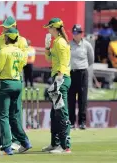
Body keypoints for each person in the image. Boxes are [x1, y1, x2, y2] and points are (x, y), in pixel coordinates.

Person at [0, 27, 32, 155]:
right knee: (14, 116)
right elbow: (23, 64)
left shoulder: (4, 51)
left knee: (3, 116)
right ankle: (25, 141)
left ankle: (7, 146)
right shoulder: (20, 51)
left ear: (7, 37)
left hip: (5, 84)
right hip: (17, 83)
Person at [41, 18, 72, 154]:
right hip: (59, 77)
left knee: (61, 112)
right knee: (55, 113)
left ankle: (65, 146)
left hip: (61, 77)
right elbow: (49, 59)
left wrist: (59, 77)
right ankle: (55, 143)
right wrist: (47, 48)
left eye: (49, 28)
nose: (48, 30)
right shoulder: (57, 42)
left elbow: (63, 62)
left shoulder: (60, 42)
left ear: (54, 28)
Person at [68, 24, 94, 130]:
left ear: (81, 34)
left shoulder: (86, 45)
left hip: (82, 72)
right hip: (71, 73)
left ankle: (82, 122)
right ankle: (71, 122)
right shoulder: (69, 44)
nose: (76, 35)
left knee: (82, 98)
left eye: (78, 33)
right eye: (74, 32)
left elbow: (91, 59)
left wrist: (83, 66)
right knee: (71, 98)